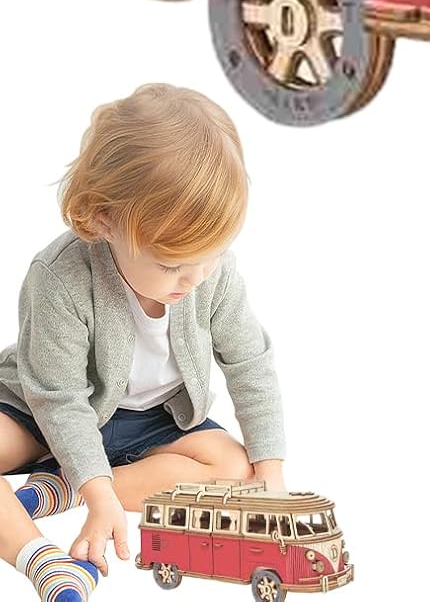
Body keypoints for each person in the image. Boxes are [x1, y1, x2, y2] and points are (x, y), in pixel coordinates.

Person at [0, 85, 284, 602]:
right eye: (172, 264)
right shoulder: (60, 278)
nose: (195, 278)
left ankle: (64, 488)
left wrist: (271, 473)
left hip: (152, 421)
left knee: (234, 469)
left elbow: (249, 363)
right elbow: (59, 399)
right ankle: (40, 558)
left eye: (211, 255)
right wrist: (97, 488)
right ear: (103, 221)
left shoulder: (211, 275)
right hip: (45, 411)